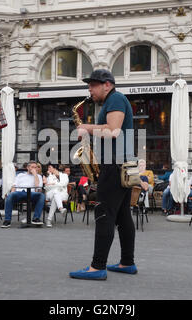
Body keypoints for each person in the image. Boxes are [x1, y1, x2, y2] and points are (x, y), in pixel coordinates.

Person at [69, 69, 136, 280]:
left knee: (103, 213)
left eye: (93, 85)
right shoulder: (114, 100)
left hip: (115, 165)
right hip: (122, 164)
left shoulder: (115, 99)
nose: (89, 89)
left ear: (107, 84)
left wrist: (86, 128)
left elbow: (113, 130)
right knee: (123, 216)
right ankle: (127, 262)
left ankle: (97, 267)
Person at [1, 160, 45, 228]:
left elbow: (37, 187)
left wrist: (35, 175)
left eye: (35, 167)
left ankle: (36, 218)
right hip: (20, 193)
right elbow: (14, 185)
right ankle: (7, 220)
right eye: (32, 167)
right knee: (10, 195)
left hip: (32, 193)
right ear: (28, 167)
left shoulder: (38, 176)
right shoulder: (20, 175)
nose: (34, 169)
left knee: (42, 195)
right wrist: (12, 193)